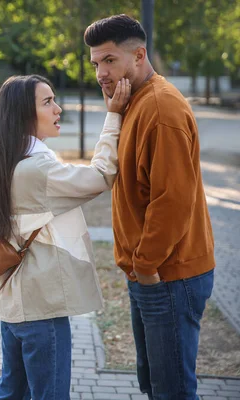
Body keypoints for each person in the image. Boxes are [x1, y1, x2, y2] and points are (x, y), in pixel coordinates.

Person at [0, 74, 130, 400]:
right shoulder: (35, 169)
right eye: (47, 102)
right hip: (41, 307)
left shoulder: (3, 160)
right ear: (24, 115)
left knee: (10, 392)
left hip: (13, 302)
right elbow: (100, 176)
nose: (58, 109)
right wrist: (113, 115)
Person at [84, 14, 215, 400]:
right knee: (154, 385)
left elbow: (172, 202)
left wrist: (145, 267)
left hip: (169, 274)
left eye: (109, 60)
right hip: (150, 272)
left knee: (171, 390)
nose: (100, 73)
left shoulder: (160, 108)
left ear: (139, 55)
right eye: (95, 64)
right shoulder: (134, 101)